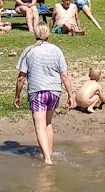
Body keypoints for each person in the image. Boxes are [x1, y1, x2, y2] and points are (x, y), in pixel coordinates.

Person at [13, 24, 75, 164]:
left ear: (35, 34)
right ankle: (49, 153)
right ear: (48, 34)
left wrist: (17, 96)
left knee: (39, 126)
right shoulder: (56, 50)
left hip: (37, 91)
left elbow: (21, 77)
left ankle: (47, 158)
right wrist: (70, 95)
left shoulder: (29, 51)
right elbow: (64, 75)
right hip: (54, 92)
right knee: (48, 123)